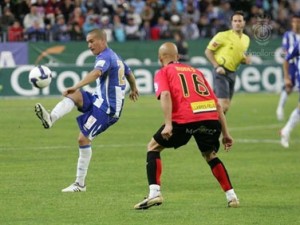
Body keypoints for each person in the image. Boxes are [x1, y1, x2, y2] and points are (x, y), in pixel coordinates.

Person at [134, 42, 238, 210]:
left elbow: (166, 94)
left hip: (185, 119)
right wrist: (226, 133)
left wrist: (168, 124)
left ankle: (154, 193)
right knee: (210, 155)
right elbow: (218, 105)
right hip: (209, 118)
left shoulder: (163, 71)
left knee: (153, 147)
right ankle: (232, 196)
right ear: (178, 57)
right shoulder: (195, 71)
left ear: (160, 59)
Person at [34, 29, 139, 192]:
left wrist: (75, 85)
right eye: (87, 42)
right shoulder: (115, 56)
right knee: (75, 95)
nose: (89, 46)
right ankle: (51, 118)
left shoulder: (105, 57)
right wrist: (134, 88)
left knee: (83, 140)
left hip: (108, 110)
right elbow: (129, 73)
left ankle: (80, 184)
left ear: (102, 41)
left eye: (92, 41)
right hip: (99, 101)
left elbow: (96, 73)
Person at [205, 11, 250, 114]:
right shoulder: (222, 36)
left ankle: (211, 126)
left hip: (232, 73)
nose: (237, 23)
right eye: (235, 21)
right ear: (231, 23)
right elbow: (208, 51)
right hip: (221, 71)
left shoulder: (246, 39)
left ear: (244, 22)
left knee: (224, 106)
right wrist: (217, 66)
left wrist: (245, 60)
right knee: (223, 104)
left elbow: (240, 57)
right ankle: (216, 128)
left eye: (239, 21)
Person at [276, 14, 300, 121]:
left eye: (298, 21)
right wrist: (286, 76)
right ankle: (280, 108)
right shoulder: (288, 35)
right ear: (292, 23)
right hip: (292, 64)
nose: (296, 24)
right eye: (294, 21)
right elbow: (285, 51)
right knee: (288, 87)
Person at [280, 41, 300, 148]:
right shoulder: (298, 44)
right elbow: (287, 59)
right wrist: (286, 77)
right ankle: (286, 130)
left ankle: (286, 130)